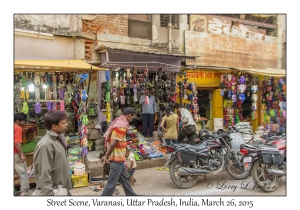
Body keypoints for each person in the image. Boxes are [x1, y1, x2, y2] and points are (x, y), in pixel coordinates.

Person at [33, 110, 72, 196]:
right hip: (54, 192)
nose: (66, 125)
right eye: (63, 123)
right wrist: (49, 195)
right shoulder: (46, 144)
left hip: (61, 189)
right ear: (54, 126)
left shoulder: (58, 139)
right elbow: (44, 172)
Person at [101, 107, 138, 196]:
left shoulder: (118, 122)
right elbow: (113, 144)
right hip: (117, 159)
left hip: (120, 158)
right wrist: (106, 155)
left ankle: (132, 196)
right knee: (111, 184)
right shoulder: (121, 127)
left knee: (125, 179)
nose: (132, 119)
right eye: (132, 117)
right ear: (129, 115)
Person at [14, 112, 30, 196]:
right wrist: (22, 154)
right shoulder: (18, 128)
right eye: (23, 121)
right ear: (18, 120)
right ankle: (24, 191)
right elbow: (17, 142)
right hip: (15, 153)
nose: (24, 123)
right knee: (23, 172)